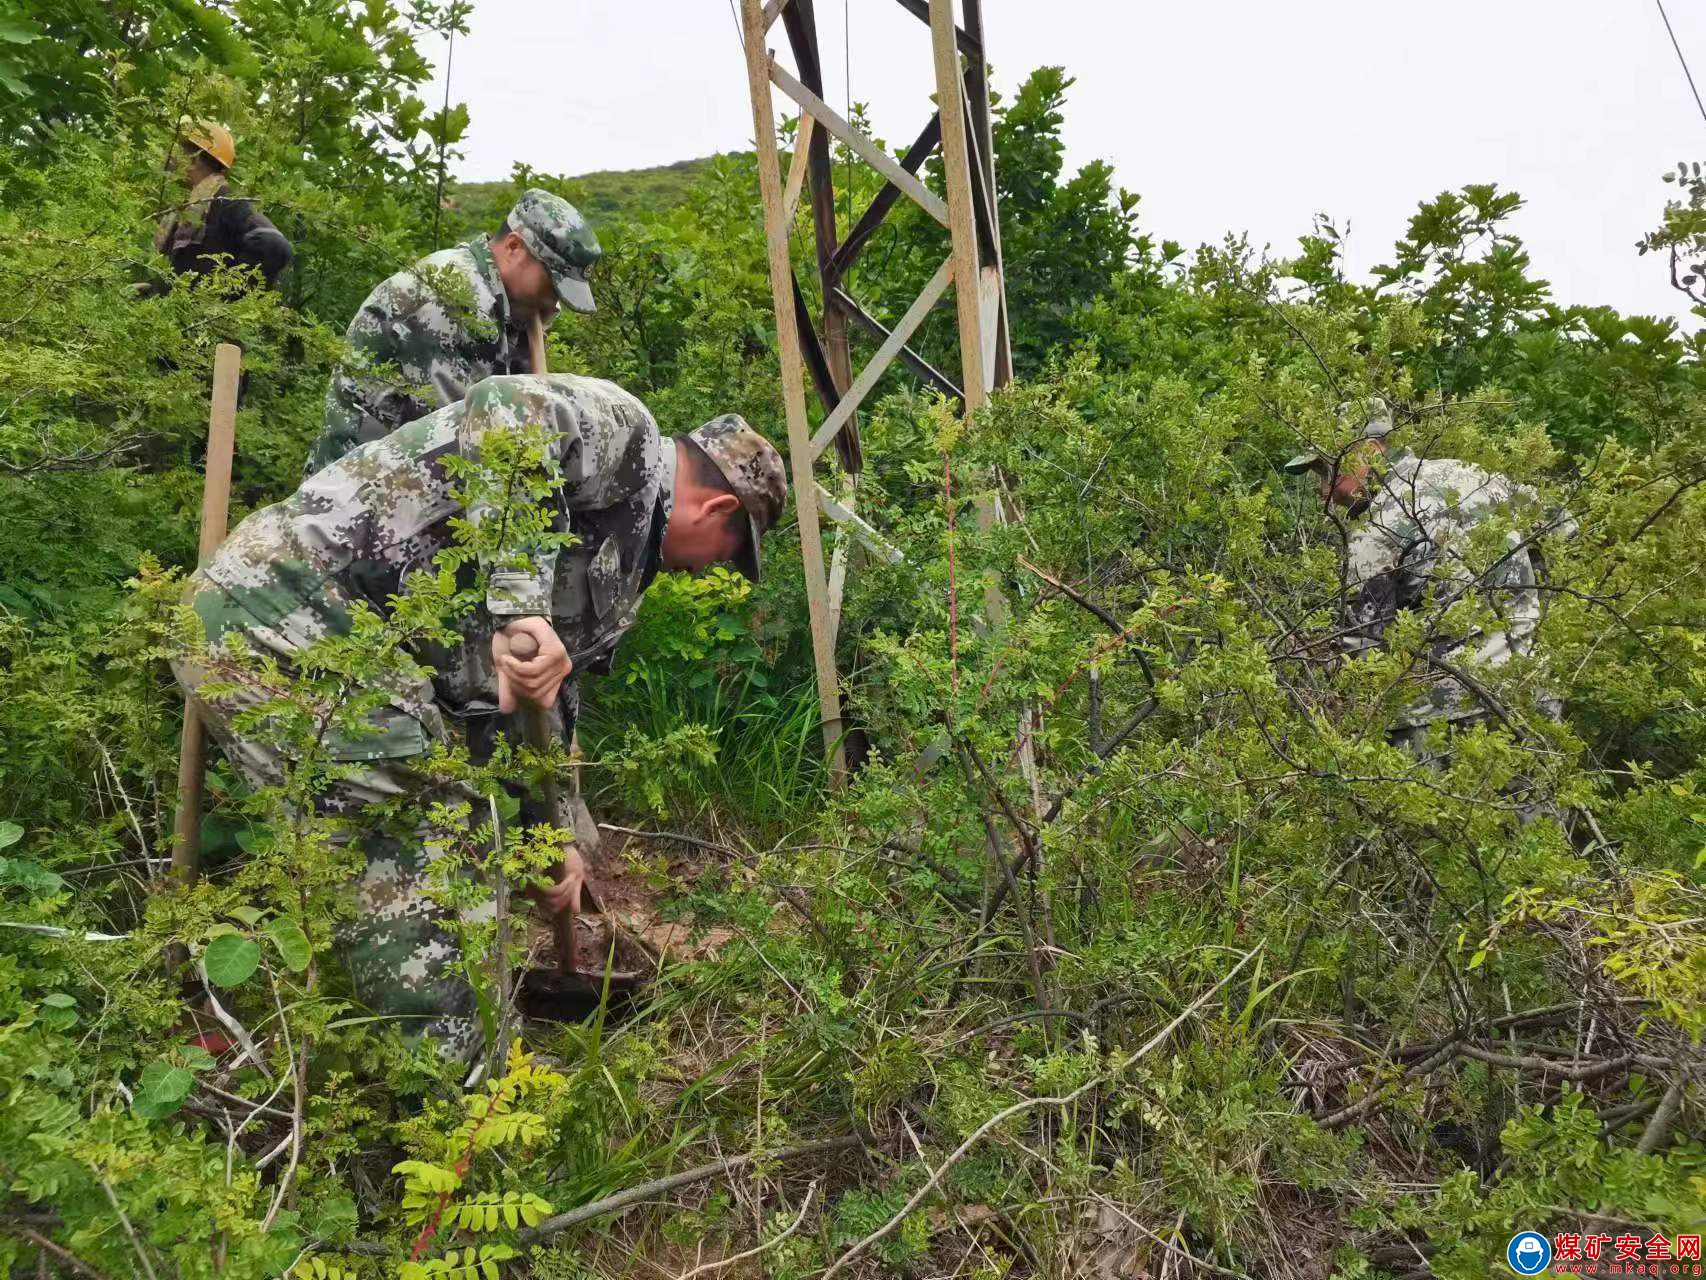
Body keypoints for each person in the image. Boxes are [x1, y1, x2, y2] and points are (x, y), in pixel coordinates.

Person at [172, 373, 786, 1059]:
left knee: (404, 861)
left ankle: (391, 1063)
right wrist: (520, 600)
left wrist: (550, 842)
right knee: (428, 859)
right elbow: (507, 405)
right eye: (728, 558)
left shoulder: (627, 562)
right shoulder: (627, 434)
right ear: (718, 508)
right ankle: (473, 1104)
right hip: (286, 618)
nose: (707, 575)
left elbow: (532, 710)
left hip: (346, 655)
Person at [1283, 399, 1569, 754]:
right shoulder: (1472, 475)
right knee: (1540, 805)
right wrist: (1527, 603)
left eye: (1328, 473)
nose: (1324, 491)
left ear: (1369, 453)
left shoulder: (1377, 534)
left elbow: (1361, 651)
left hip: (1444, 715)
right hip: (1532, 691)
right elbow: (1565, 528)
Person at [306, 189, 601, 477]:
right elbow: (468, 447)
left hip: (405, 481)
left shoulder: (511, 303)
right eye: (551, 282)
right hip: (356, 494)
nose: (554, 302)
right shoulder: (453, 301)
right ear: (513, 247)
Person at [149, 118, 294, 292]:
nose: (166, 157)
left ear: (193, 160)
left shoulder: (227, 202)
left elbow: (273, 245)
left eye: (173, 150)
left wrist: (225, 297)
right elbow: (186, 276)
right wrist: (154, 292)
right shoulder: (186, 212)